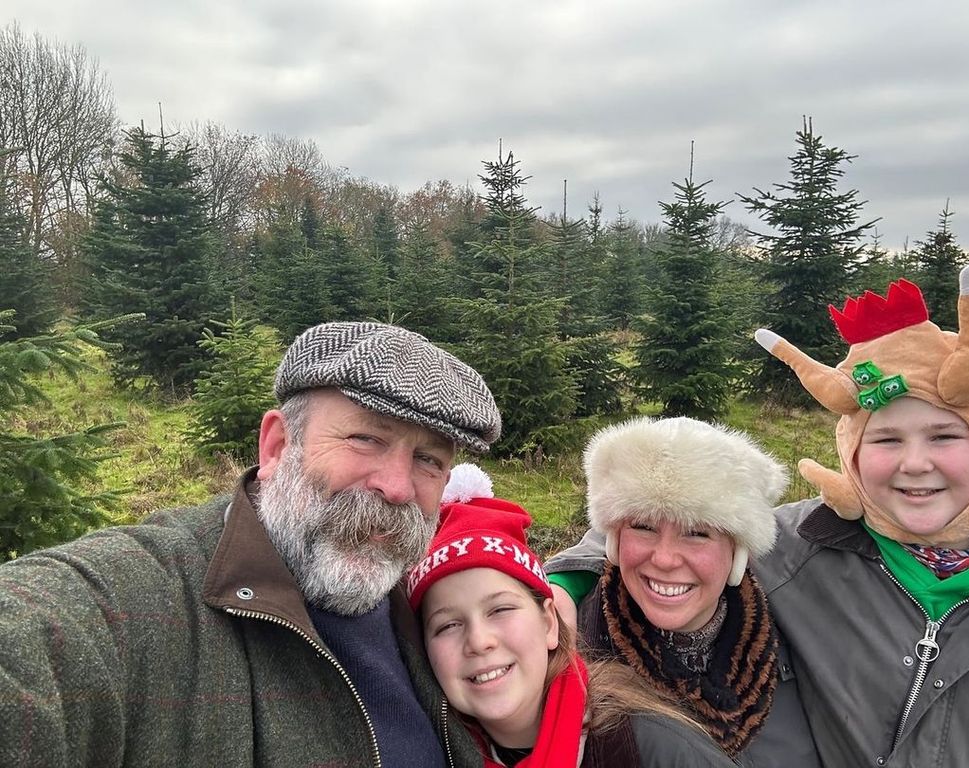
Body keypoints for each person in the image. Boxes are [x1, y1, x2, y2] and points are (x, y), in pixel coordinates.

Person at [550, 263, 969, 767]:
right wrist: (562, 586)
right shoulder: (802, 543)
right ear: (854, 453)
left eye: (944, 436)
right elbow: (677, 529)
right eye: (886, 439)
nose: (914, 463)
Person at [0, 321, 503, 767]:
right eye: (366, 439)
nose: (396, 487)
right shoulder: (132, 601)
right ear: (278, 446)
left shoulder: (433, 609)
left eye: (429, 460)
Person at [406, 463, 737, 768]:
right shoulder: (425, 748)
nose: (479, 641)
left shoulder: (646, 748)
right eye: (448, 625)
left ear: (550, 622)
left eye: (501, 609)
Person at [544, 416, 820, 767]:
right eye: (643, 527)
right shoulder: (567, 653)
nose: (664, 558)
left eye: (696, 532)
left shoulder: (797, 632)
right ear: (613, 541)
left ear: (737, 551)